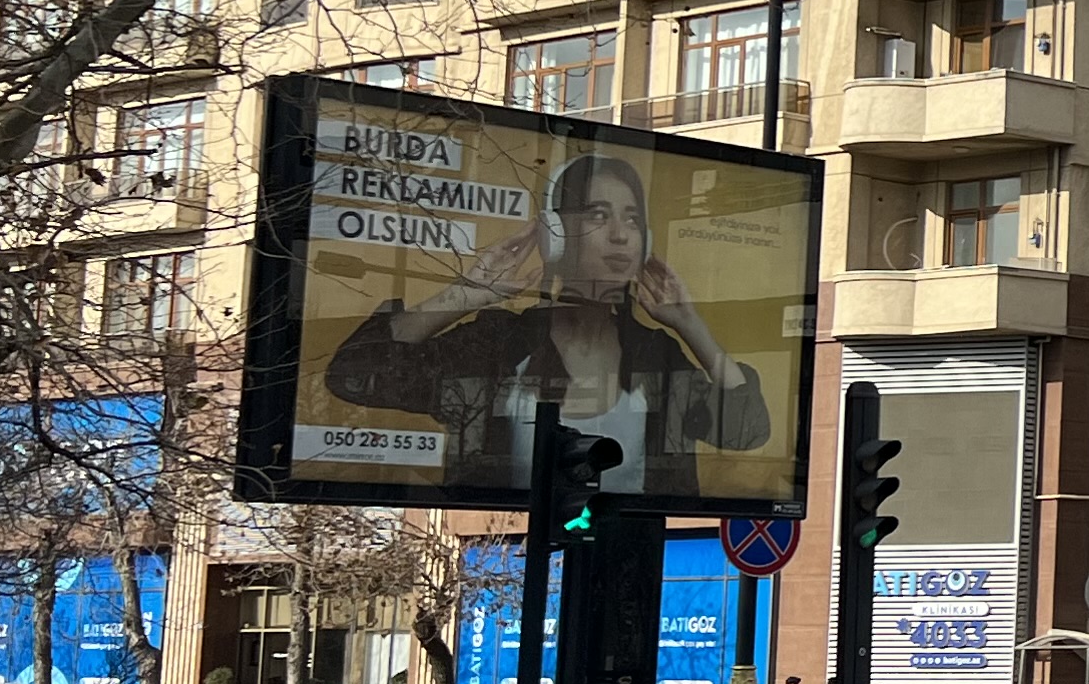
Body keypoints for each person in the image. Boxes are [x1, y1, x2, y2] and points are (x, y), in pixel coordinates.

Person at [325, 151, 772, 495]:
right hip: (514, 560)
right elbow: (355, 375)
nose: (620, 234)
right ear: (555, 234)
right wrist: (464, 294)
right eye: (598, 215)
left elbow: (747, 430)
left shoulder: (655, 354)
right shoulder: (499, 344)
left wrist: (691, 325)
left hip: (625, 555)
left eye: (632, 219)